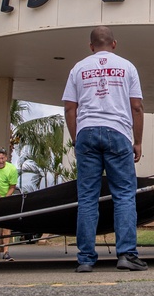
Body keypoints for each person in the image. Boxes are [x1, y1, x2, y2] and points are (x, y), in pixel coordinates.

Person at [63, 26, 146, 273]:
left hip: (86, 132)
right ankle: (127, 255)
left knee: (87, 198)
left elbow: (69, 108)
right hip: (118, 133)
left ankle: (86, 259)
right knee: (123, 195)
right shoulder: (127, 67)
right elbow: (137, 107)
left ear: (90, 46)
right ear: (114, 44)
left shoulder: (78, 68)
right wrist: (138, 141)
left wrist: (77, 139)